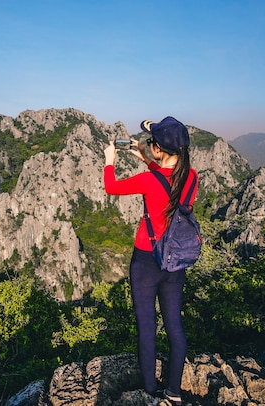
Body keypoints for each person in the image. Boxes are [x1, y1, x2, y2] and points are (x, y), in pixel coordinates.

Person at [103, 116, 199, 405]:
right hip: (176, 262)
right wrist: (144, 156)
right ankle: (174, 392)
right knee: (174, 326)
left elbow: (111, 187)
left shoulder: (148, 180)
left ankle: (149, 391)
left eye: (150, 143)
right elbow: (167, 180)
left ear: (159, 149)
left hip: (146, 262)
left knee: (147, 327)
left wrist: (110, 160)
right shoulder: (191, 176)